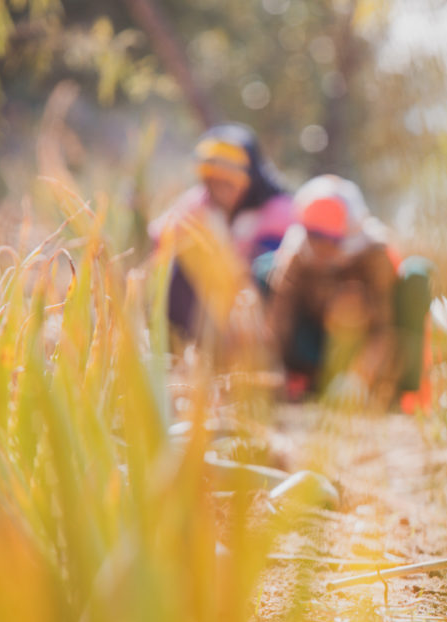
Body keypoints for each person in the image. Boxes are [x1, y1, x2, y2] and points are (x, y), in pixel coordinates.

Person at [256, 175, 432, 409]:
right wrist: (267, 366)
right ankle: (309, 381)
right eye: (313, 235)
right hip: (317, 345)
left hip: (370, 348)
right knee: (264, 268)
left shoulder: (374, 253)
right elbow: (280, 320)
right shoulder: (297, 252)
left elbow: (384, 328)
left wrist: (358, 377)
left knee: (417, 274)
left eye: (328, 239)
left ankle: (394, 392)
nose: (319, 247)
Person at [149, 123, 293, 347]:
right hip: (213, 312)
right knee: (176, 261)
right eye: (212, 180)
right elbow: (160, 236)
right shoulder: (200, 203)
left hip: (259, 318)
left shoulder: (279, 209)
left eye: (228, 181)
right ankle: (183, 347)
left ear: (249, 177)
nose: (219, 188)